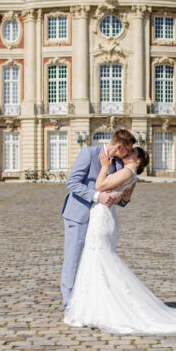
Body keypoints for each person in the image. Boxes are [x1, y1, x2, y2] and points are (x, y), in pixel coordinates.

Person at [63, 146, 176, 334]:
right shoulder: (130, 175)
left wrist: (104, 166)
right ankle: (96, 305)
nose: (127, 153)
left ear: (138, 160)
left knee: (98, 261)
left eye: (132, 152)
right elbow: (121, 198)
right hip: (104, 218)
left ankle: (91, 308)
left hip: (101, 219)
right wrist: (122, 197)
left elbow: (99, 187)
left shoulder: (126, 171)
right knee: (99, 262)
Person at [61, 129, 136, 308]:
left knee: (96, 258)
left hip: (100, 219)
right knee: (72, 258)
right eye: (128, 150)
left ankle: (92, 299)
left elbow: (116, 195)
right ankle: (69, 303)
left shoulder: (119, 164)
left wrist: (125, 198)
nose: (128, 154)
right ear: (119, 146)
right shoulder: (88, 154)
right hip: (78, 214)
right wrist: (96, 196)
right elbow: (72, 183)